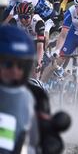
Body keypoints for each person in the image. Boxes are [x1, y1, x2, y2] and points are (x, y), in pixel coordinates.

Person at [0, 25, 39, 153]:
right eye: (8, 64)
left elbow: (30, 146)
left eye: (21, 65)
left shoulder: (26, 98)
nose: (15, 71)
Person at [9, 2, 45, 79]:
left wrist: (38, 62)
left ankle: (36, 83)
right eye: (21, 17)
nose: (23, 20)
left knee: (35, 66)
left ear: (32, 15)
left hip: (35, 42)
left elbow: (40, 46)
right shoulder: (14, 21)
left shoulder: (38, 22)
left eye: (26, 17)